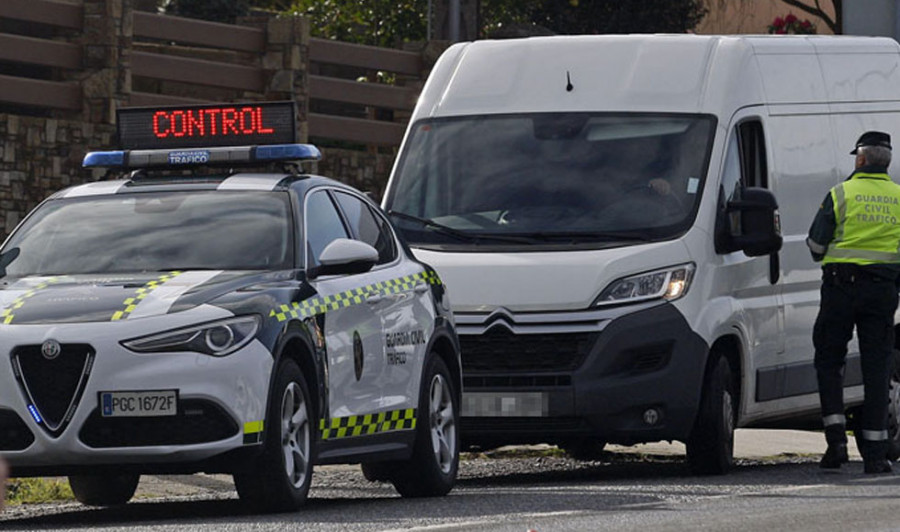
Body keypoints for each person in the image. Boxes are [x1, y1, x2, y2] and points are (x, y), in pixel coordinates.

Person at [806, 130, 900, 474]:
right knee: (877, 368)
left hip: (839, 289)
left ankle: (836, 444)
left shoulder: (840, 194)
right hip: (882, 292)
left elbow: (816, 247)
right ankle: (875, 455)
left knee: (829, 362)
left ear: (860, 159)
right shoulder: (899, 197)